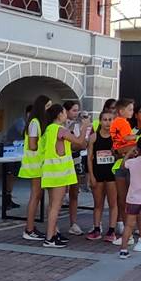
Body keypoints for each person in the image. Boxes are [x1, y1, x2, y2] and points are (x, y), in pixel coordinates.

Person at [39, 104, 89, 248]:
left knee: (52, 205)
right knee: (56, 206)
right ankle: (50, 238)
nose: (66, 114)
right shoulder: (60, 129)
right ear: (59, 115)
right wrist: (85, 126)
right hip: (59, 172)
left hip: (49, 171)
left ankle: (53, 233)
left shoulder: (49, 129)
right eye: (64, 112)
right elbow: (79, 142)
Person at [20, 95, 51, 240]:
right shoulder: (34, 123)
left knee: (37, 196)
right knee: (35, 196)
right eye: (47, 106)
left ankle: (31, 227)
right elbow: (33, 145)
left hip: (39, 165)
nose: (49, 110)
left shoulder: (39, 122)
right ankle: (29, 229)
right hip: (35, 165)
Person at [86, 110, 118, 242]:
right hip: (98, 174)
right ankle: (97, 228)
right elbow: (89, 158)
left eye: (110, 120)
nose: (107, 122)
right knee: (98, 204)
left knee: (113, 203)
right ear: (100, 121)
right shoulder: (94, 137)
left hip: (112, 175)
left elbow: (121, 155)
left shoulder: (116, 137)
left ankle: (111, 230)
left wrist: (115, 152)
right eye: (105, 119)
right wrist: (91, 176)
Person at [64, 101, 84, 236]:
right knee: (58, 195)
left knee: (74, 192)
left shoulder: (78, 125)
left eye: (77, 110)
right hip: (62, 162)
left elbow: (81, 144)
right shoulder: (59, 126)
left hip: (75, 160)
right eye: (74, 110)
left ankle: (73, 222)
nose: (76, 113)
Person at [0, 109, 26, 209]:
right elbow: (25, 134)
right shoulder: (21, 122)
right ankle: (6, 200)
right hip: (9, 151)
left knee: (13, 175)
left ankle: (9, 198)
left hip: (18, 152)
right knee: (9, 175)